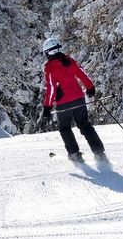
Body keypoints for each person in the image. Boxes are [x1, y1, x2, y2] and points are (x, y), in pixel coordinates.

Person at [39, 37, 105, 165]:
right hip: (78, 99)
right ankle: (99, 153)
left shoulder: (50, 67)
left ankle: (75, 154)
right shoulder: (69, 60)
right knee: (85, 125)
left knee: (65, 128)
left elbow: (51, 88)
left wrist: (47, 107)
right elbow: (82, 74)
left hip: (63, 103)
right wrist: (90, 87)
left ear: (48, 52)